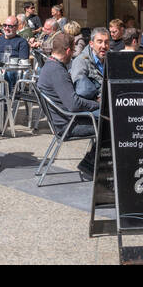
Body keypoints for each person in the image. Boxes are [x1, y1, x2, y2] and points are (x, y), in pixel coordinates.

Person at [38, 31, 103, 180]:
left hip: (63, 120)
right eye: (73, 51)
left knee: (106, 119)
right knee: (110, 125)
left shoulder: (49, 66)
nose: (73, 55)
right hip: (68, 125)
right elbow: (73, 104)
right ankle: (90, 165)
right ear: (67, 51)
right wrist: (96, 104)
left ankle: (93, 164)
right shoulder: (57, 71)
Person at [70, 28, 109, 101]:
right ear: (91, 44)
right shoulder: (81, 61)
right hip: (92, 106)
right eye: (99, 42)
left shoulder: (110, 59)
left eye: (106, 42)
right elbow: (81, 91)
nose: (104, 46)